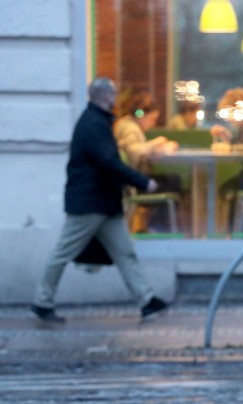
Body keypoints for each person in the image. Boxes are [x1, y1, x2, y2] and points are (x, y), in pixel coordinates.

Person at [31, 77, 169, 323]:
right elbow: (109, 162)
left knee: (125, 252)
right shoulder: (94, 125)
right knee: (63, 252)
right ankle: (42, 301)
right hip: (91, 204)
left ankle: (147, 301)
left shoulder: (94, 122)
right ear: (106, 97)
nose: (115, 100)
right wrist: (142, 181)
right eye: (113, 95)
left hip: (101, 203)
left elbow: (108, 162)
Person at [113, 90, 181, 232]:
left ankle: (155, 226)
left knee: (172, 179)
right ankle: (156, 227)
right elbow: (133, 151)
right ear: (141, 114)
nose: (153, 123)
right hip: (133, 184)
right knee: (173, 182)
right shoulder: (129, 128)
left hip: (130, 181)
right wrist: (156, 143)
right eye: (152, 119)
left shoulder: (127, 125)